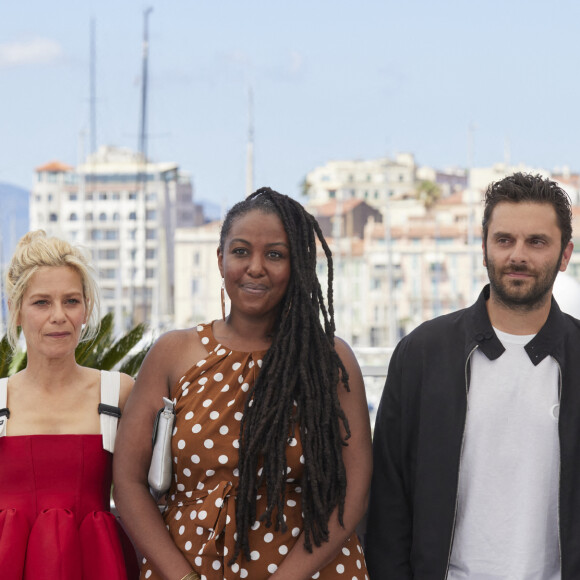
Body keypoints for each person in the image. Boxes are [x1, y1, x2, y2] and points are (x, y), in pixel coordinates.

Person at [113, 187, 372, 580]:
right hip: (189, 568)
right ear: (220, 260)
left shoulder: (328, 360)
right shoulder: (173, 353)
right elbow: (128, 482)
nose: (255, 267)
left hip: (310, 570)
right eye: (240, 251)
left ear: (298, 264)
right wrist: (181, 577)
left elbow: (353, 490)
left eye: (274, 254)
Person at [365, 172, 580, 579]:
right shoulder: (422, 354)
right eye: (504, 240)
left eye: (537, 242)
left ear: (565, 255)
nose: (518, 255)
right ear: (484, 249)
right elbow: (388, 504)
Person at [0, 230, 138, 579]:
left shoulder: (118, 392)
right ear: (16, 311)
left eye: (71, 301)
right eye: (42, 302)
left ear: (86, 308)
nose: (59, 315)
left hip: (98, 565)